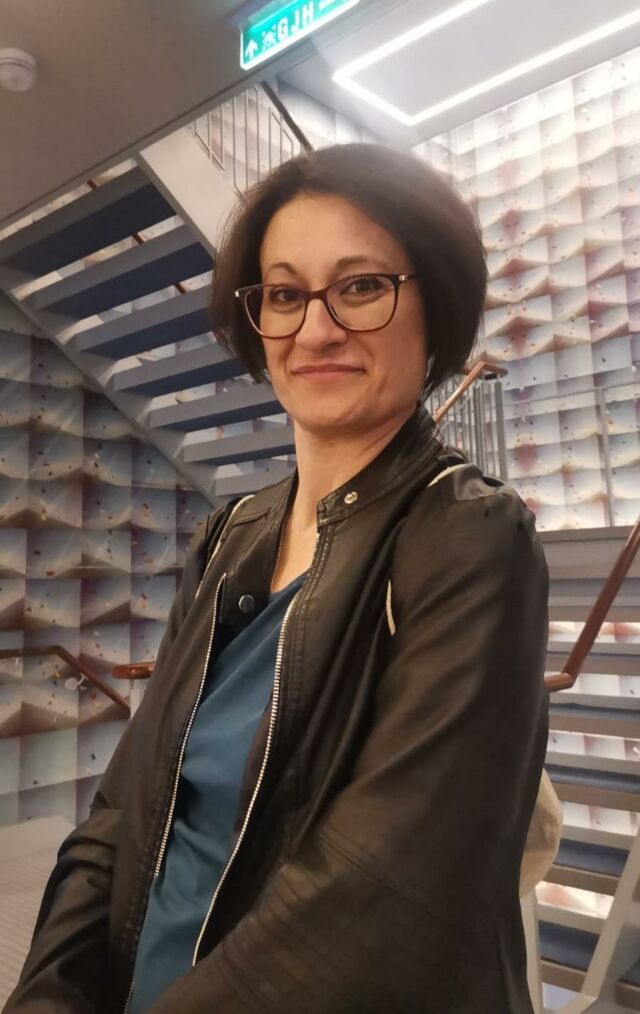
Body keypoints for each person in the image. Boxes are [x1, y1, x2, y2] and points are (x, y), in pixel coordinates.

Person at [6, 142, 553, 1013]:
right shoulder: (232, 534)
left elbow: (382, 894)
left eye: (361, 286)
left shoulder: (470, 536)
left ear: (437, 306)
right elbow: (121, 813)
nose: (316, 330)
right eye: (286, 295)